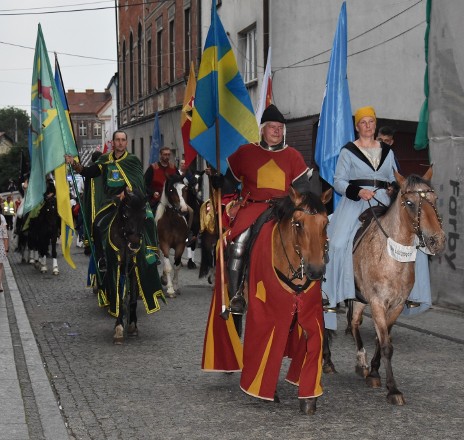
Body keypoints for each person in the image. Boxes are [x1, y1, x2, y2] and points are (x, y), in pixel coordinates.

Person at [202, 104, 311, 372]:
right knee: (237, 243)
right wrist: (218, 183)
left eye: (280, 128)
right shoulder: (246, 152)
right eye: (272, 128)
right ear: (263, 130)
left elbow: (304, 189)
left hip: (284, 210)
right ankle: (237, 293)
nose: (276, 132)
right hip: (253, 208)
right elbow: (229, 183)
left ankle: (309, 284)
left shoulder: (293, 156)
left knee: (307, 241)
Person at [322, 106, 432, 329]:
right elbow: (339, 181)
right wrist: (358, 191)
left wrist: (392, 188)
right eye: (363, 122)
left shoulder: (386, 151)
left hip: (383, 200)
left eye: (371, 122)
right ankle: (330, 296)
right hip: (356, 202)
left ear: (375, 124)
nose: (367, 126)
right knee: (338, 242)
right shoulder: (348, 151)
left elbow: (395, 177)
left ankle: (410, 292)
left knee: (412, 240)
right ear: (357, 126)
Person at [65, 130, 164, 317]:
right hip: (112, 202)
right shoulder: (105, 160)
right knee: (97, 224)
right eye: (117, 140)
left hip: (130, 201)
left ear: (126, 142)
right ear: (113, 143)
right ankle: (102, 258)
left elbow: (138, 183)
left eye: (123, 140)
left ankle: (151, 252)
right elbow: (90, 172)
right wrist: (74, 165)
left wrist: (128, 192)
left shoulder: (132, 161)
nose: (120, 143)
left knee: (148, 220)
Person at [144, 146, 178, 213]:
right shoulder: (153, 168)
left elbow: (179, 182)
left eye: (168, 154)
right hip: (156, 200)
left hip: (172, 200)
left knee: (189, 212)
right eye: (165, 154)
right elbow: (144, 184)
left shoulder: (173, 168)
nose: (167, 156)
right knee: (148, 216)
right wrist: (152, 193)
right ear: (160, 155)